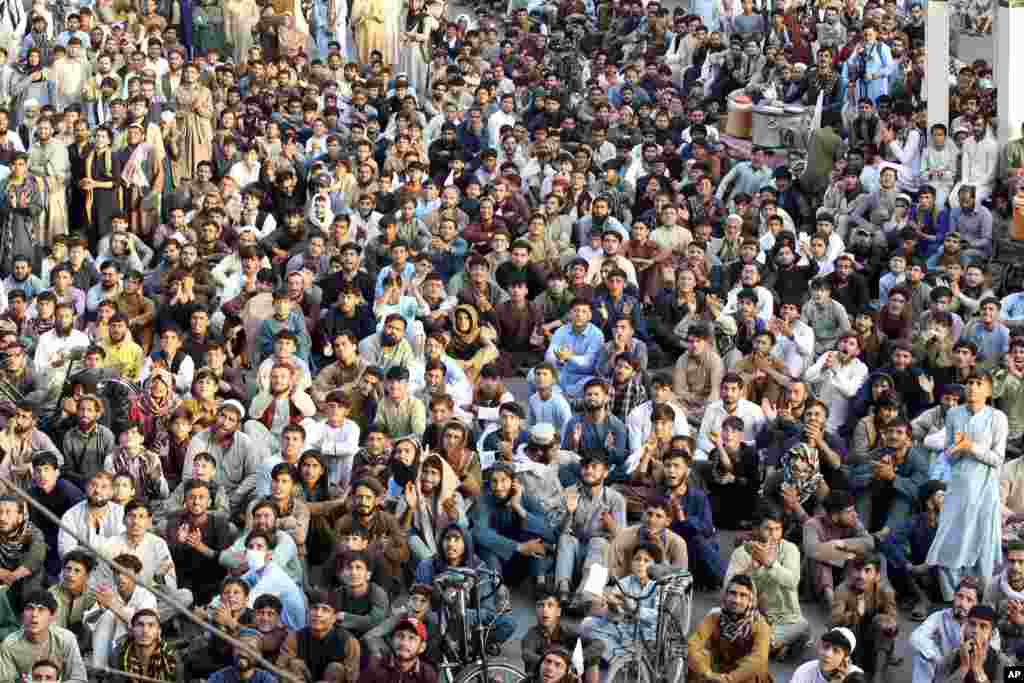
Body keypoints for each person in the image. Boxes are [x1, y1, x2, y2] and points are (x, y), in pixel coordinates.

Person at [926, 371, 1008, 600]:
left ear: (989, 391)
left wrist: (971, 447)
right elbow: (949, 457)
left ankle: (982, 600)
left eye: (978, 383)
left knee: (982, 544)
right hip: (959, 487)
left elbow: (998, 459)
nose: (972, 387)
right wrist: (957, 448)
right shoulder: (954, 414)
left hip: (985, 489)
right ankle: (953, 600)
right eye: (970, 383)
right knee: (948, 543)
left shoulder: (997, 417)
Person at [687, 574, 772, 683]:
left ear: (750, 599)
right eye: (733, 593)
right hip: (717, 674)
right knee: (699, 657)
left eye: (743, 595)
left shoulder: (760, 625)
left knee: (755, 668)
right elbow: (692, 644)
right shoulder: (715, 616)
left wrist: (729, 679)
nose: (736, 600)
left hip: (741, 678)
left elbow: (758, 659)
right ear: (725, 595)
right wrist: (707, 673)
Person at [0, 590, 88, 683]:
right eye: (29, 608)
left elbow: (79, 678)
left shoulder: (65, 639)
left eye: (41, 609)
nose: (34, 615)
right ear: (22, 615)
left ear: (52, 617)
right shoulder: (10, 644)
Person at [908, 575, 981, 683]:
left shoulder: (983, 623)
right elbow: (916, 637)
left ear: (977, 604)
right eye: (959, 596)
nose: (962, 603)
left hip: (971, 673)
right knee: (922, 656)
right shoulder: (940, 616)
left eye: (969, 600)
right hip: (944, 671)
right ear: (954, 596)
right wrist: (938, 657)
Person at [358, 616, 437, 683]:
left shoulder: (427, 675)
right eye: (400, 636)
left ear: (422, 647)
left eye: (411, 638)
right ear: (392, 640)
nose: (404, 643)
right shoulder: (375, 666)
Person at [788, 628, 863, 683]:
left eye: (836, 651)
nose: (827, 654)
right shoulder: (805, 671)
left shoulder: (855, 677)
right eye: (826, 646)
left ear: (845, 658)